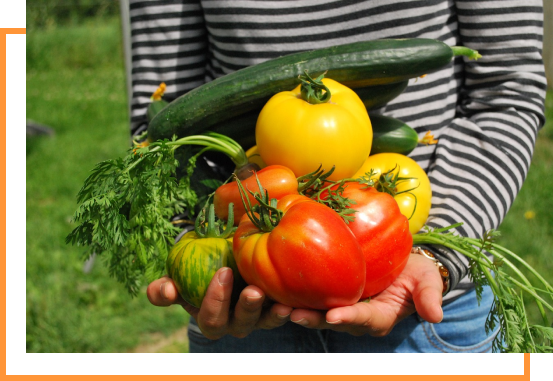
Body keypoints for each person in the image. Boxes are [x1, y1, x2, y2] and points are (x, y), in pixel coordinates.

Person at [129, 0, 547, 353]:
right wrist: (192, 247)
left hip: (426, 307)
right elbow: (160, 125)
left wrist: (436, 256)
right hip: (242, 293)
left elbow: (507, 92)